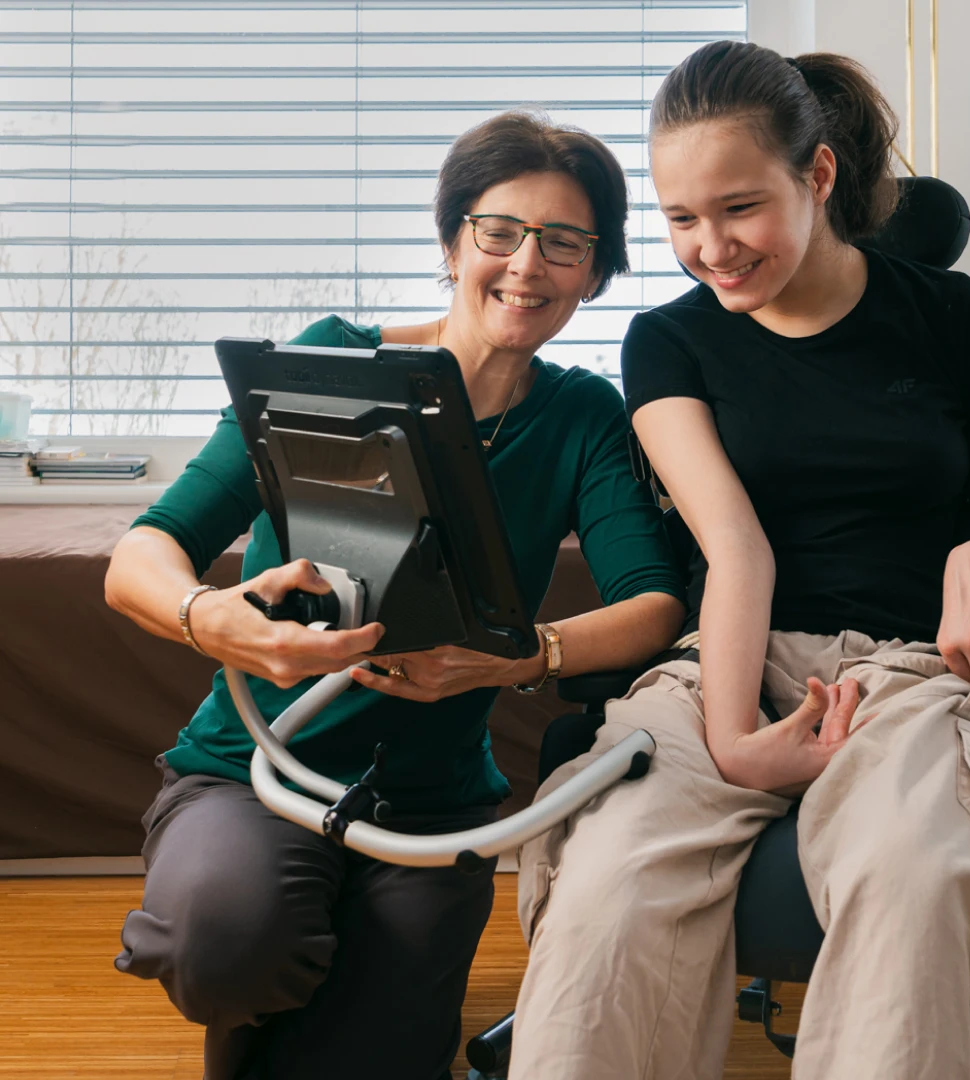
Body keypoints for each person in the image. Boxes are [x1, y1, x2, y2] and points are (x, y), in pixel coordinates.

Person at [509, 42, 970, 1080]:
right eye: (680, 219)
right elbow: (735, 548)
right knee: (608, 885)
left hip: (916, 676)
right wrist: (736, 738)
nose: (711, 248)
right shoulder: (669, 343)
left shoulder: (958, 321)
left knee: (921, 878)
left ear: (819, 175)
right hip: (726, 669)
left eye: (738, 209)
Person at [105, 111, 685, 1080]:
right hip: (261, 768)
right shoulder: (331, 362)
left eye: (565, 243)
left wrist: (523, 655)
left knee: (381, 1058)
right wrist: (215, 621)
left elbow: (654, 604)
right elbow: (144, 553)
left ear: (595, 270)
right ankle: (264, 942)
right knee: (225, 947)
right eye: (499, 231)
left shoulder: (583, 416)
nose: (526, 265)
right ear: (453, 240)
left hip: (429, 805)